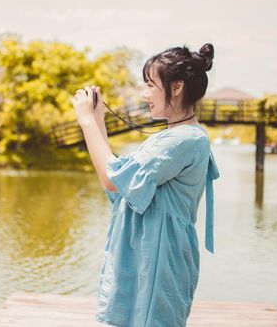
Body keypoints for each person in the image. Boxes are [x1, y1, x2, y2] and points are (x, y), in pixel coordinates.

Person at [70, 43, 221, 327]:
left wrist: (87, 122)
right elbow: (121, 182)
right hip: (147, 253)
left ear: (176, 88)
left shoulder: (185, 140)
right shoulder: (172, 136)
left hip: (161, 259)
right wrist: (99, 119)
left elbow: (112, 179)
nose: (145, 93)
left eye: (151, 85)